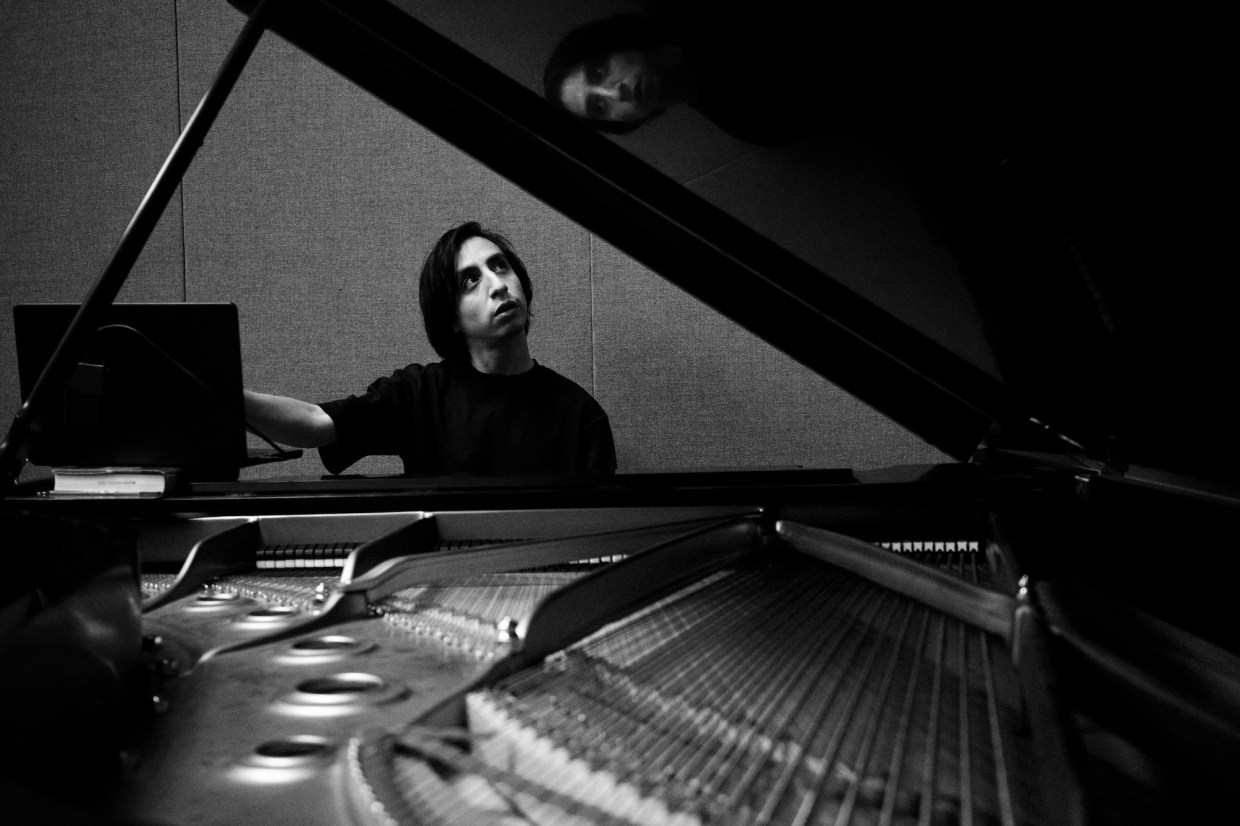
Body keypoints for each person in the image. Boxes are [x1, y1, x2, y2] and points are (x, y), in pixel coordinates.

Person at [244, 222, 616, 477]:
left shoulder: (581, 415)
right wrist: (227, 398)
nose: (498, 285)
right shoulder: (421, 394)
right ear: (451, 317)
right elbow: (316, 423)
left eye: (500, 267)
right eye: (471, 280)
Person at [542, 9, 881, 146]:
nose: (617, 93)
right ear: (625, 123)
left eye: (599, 72)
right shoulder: (750, 122)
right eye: (599, 107)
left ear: (612, 43)